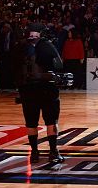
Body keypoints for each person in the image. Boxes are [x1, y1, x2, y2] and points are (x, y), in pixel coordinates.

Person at [18, 25, 65, 162]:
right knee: (51, 121)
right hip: (47, 89)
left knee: (31, 123)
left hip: (27, 90)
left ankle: (34, 153)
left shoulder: (21, 47)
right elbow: (59, 65)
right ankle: (53, 152)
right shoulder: (47, 45)